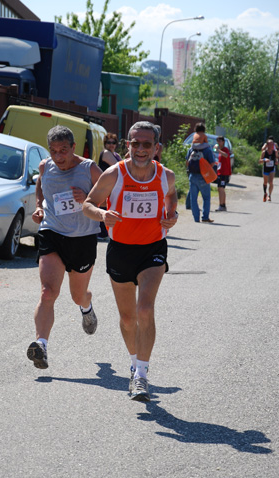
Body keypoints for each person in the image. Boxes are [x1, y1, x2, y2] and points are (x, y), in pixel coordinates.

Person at [83, 121, 179, 401]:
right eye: (134, 143)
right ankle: (135, 362)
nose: (139, 149)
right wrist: (102, 215)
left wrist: (171, 214)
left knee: (145, 310)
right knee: (127, 319)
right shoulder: (114, 174)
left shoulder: (166, 176)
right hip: (120, 250)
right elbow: (88, 204)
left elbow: (172, 196)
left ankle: (141, 375)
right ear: (127, 145)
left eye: (146, 144)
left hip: (152, 249)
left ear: (156, 148)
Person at [27, 125, 102, 370]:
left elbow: (110, 194)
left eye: (63, 150)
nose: (58, 156)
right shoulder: (45, 167)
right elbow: (40, 187)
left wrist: (88, 197)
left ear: (73, 148)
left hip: (82, 237)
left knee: (77, 295)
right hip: (53, 231)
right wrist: (39, 206)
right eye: (53, 151)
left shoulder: (89, 168)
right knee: (48, 292)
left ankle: (86, 305)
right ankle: (41, 346)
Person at [185, 122, 217, 223]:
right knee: (206, 198)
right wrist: (206, 170)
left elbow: (187, 162)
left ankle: (196, 219)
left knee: (193, 198)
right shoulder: (207, 149)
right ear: (204, 132)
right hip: (203, 177)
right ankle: (205, 217)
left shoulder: (191, 148)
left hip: (192, 176)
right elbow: (212, 163)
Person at [97, 133, 122, 240]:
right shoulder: (106, 153)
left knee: (109, 206)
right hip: (105, 184)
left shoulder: (116, 154)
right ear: (105, 144)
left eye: (113, 142)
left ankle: (105, 232)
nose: (111, 145)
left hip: (113, 185)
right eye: (109, 142)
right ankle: (101, 233)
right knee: (103, 205)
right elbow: (118, 166)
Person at [214, 136, 232, 211]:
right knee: (220, 188)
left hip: (224, 173)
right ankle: (222, 205)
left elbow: (226, 155)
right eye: (217, 141)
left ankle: (222, 205)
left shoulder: (225, 149)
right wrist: (216, 163)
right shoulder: (220, 151)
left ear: (223, 142)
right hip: (220, 172)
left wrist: (218, 150)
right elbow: (222, 161)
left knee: (221, 188)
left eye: (220, 141)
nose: (218, 143)